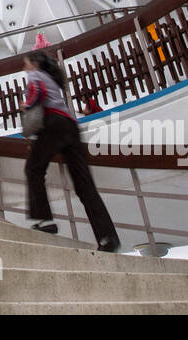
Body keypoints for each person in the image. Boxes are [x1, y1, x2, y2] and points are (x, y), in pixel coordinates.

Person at [22, 50, 121, 252]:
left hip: (53, 124)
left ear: (34, 64)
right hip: (70, 126)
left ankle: (44, 220)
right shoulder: (51, 78)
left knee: (34, 169)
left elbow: (35, 92)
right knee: (84, 184)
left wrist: (26, 104)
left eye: (25, 64)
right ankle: (107, 237)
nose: (24, 68)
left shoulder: (35, 75)